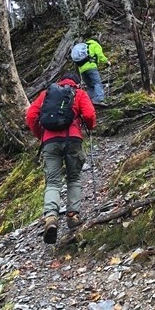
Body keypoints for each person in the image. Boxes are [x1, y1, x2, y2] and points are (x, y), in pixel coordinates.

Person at [26, 72, 96, 244]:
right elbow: (89, 115)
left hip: (50, 141)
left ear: (60, 82)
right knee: (74, 177)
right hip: (72, 139)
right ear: (77, 83)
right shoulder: (79, 93)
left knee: (53, 182)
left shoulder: (47, 94)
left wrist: (40, 135)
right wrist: (89, 127)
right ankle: (73, 215)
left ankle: (50, 217)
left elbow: (30, 116)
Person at [75, 36, 110, 106]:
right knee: (97, 83)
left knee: (90, 86)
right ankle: (98, 99)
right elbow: (100, 55)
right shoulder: (95, 45)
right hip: (91, 67)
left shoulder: (84, 47)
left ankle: (87, 102)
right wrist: (107, 61)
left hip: (82, 70)